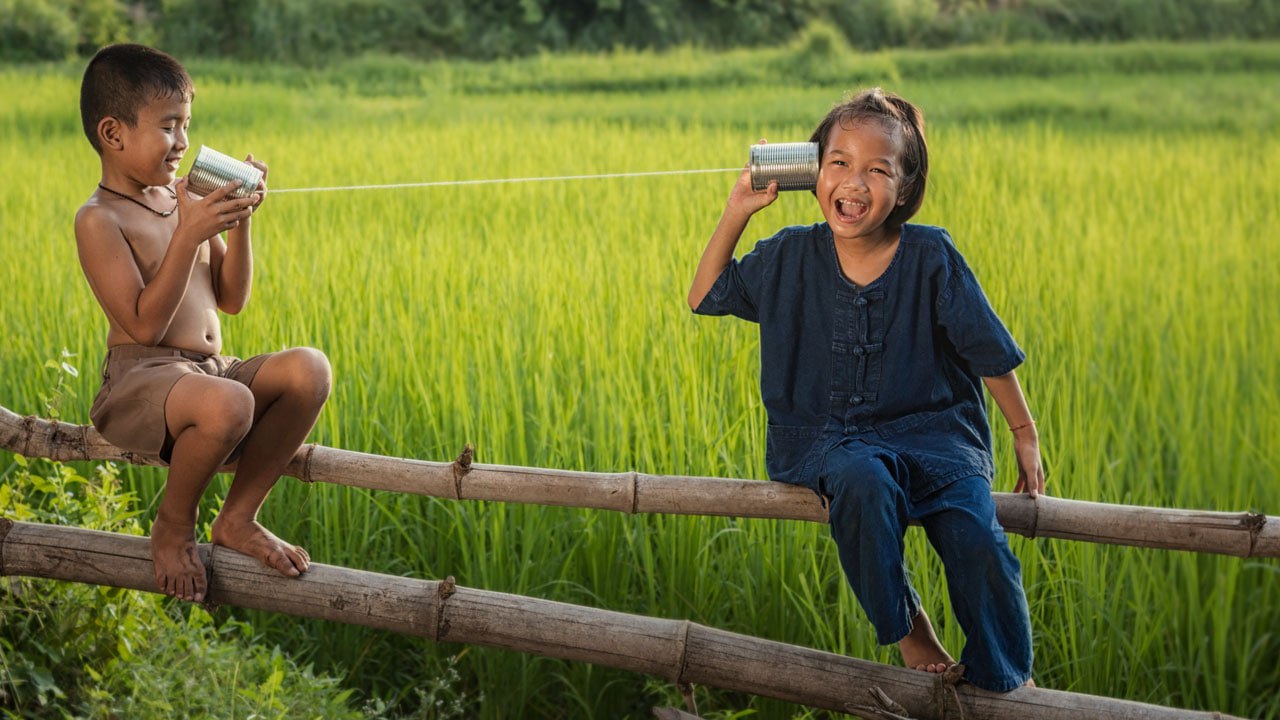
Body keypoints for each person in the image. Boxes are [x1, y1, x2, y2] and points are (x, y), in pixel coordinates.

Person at [688, 88, 1044, 692]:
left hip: (937, 437)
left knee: (978, 539)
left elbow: (987, 350)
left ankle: (1005, 678)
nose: (854, 183)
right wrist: (738, 210)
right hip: (832, 441)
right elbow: (706, 295)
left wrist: (1025, 434)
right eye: (839, 163)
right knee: (862, 482)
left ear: (904, 188)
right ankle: (909, 630)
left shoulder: (932, 255)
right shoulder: (789, 255)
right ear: (812, 171)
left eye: (878, 170)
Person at [75, 44, 332, 603]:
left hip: (209, 373)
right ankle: (173, 525)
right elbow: (143, 327)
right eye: (169, 127)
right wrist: (189, 234)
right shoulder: (99, 219)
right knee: (230, 403)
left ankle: (237, 518)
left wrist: (238, 223)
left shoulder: (178, 198)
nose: (184, 143)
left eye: (187, 125)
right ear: (114, 134)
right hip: (142, 382)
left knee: (309, 369)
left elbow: (232, 298)